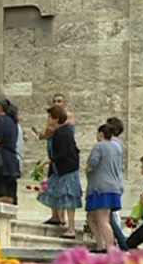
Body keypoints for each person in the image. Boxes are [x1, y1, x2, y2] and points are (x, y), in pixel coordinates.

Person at [36, 105, 82, 238]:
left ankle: (71, 228)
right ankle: (58, 218)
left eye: (50, 117)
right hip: (66, 169)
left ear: (56, 119)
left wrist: (49, 161)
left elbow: (63, 153)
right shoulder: (65, 131)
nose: (48, 120)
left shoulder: (60, 133)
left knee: (68, 197)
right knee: (52, 190)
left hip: (66, 169)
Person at [85, 124, 124, 252]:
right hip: (113, 186)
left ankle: (110, 248)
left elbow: (92, 163)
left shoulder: (99, 146)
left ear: (101, 134)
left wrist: (87, 170)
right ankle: (100, 246)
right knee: (91, 217)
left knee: (103, 219)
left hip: (100, 186)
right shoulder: (117, 147)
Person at [106, 116, 128, 250]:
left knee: (107, 216)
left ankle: (122, 243)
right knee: (110, 215)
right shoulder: (117, 144)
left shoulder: (111, 144)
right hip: (116, 181)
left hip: (111, 182)